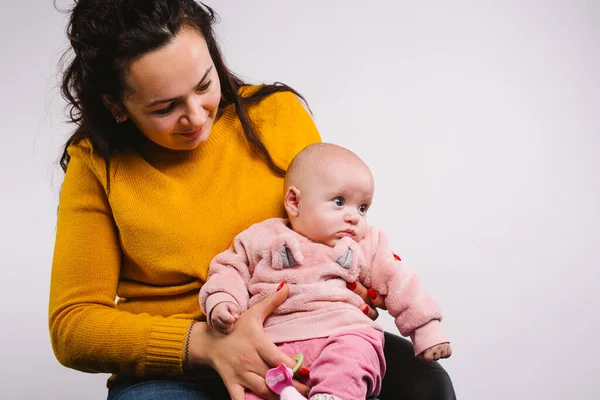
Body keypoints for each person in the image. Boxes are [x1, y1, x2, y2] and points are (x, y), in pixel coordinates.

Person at [48, 1, 457, 399]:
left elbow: (329, 224)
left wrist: (356, 282)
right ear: (116, 104)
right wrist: (204, 344)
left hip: (305, 328)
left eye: (204, 85)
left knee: (427, 385)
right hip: (179, 367)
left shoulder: (277, 115)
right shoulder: (96, 166)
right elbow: (73, 325)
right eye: (165, 107)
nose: (195, 116)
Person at [200, 143, 452, 400]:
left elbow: (400, 280)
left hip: (344, 331)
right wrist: (223, 301)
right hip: (273, 343)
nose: (354, 217)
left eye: (362, 207)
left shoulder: (365, 245)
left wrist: (426, 329)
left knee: (354, 355)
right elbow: (230, 268)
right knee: (252, 387)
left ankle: (334, 395)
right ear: (294, 202)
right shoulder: (263, 236)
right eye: (340, 202)